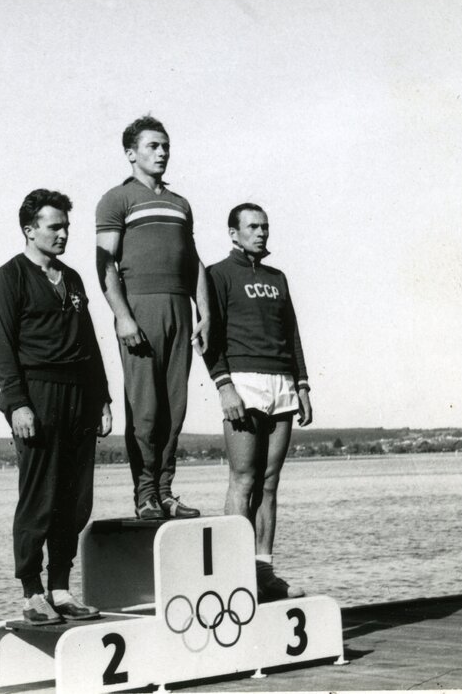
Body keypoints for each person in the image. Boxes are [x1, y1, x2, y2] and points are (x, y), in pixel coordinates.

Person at [0, 189, 113, 625]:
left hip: (79, 397)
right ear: (29, 229)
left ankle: (60, 587)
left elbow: (90, 344)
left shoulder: (73, 279)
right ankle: (32, 592)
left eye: (66, 227)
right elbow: (1, 348)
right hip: (37, 397)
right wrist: (18, 404)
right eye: (54, 226)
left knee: (75, 501)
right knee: (39, 498)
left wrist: (103, 400)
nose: (63, 234)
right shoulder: (9, 278)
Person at [95, 115, 210, 520]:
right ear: (131, 153)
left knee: (174, 409)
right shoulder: (116, 199)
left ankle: (165, 492)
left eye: (165, 146)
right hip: (140, 309)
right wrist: (123, 317)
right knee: (145, 409)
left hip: (179, 308)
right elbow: (104, 262)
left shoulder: (180, 203)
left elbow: (193, 261)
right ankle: (144, 494)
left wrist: (206, 312)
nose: (161, 153)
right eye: (152, 146)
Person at [205, 202, 313, 602]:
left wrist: (302, 384)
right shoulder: (217, 274)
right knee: (243, 479)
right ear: (234, 233)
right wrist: (224, 384)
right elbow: (208, 337)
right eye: (252, 227)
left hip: (281, 382)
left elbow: (293, 333)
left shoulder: (277, 277)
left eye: (265, 226)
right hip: (243, 382)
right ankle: (235, 574)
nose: (261, 233)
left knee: (269, 483)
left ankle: (263, 571)